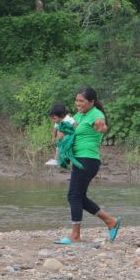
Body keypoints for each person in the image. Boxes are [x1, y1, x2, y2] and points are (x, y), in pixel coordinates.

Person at [54, 87, 122, 245]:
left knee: (73, 196)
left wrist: (102, 127)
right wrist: (60, 133)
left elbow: (101, 126)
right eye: (76, 100)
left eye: (81, 101)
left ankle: (75, 236)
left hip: (87, 159)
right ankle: (110, 221)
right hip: (80, 159)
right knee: (79, 197)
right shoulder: (79, 115)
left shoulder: (96, 114)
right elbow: (69, 128)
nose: (78, 103)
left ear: (91, 102)